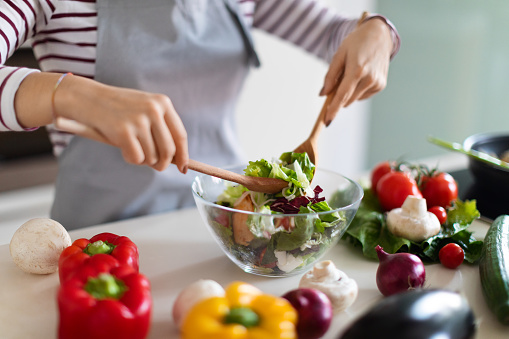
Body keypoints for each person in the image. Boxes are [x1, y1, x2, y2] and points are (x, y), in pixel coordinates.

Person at [0, 0, 400, 229]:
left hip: (220, 229)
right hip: (97, 240)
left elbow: (339, 34)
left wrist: (378, 31)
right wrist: (68, 93)